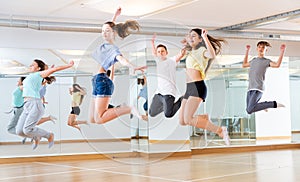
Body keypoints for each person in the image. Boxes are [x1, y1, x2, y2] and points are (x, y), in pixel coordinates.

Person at [89, 8, 146, 124]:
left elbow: (121, 59)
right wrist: (114, 16)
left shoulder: (112, 48)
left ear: (113, 33)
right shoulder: (105, 45)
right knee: (92, 119)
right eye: (102, 31)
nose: (104, 33)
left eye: (107, 31)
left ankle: (128, 108)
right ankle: (123, 108)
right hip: (96, 80)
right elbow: (110, 27)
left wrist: (132, 66)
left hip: (102, 81)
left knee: (99, 119)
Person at [179, 28, 230, 145]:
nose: (191, 38)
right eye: (189, 36)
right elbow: (187, 43)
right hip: (189, 88)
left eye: (194, 36)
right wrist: (187, 40)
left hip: (198, 87)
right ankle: (203, 117)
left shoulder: (202, 50)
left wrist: (205, 38)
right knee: (182, 121)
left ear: (200, 39)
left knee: (188, 119)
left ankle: (220, 130)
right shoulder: (191, 52)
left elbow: (211, 54)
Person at [16, 59, 74, 149]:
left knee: (27, 130)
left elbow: (55, 69)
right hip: (27, 104)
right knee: (19, 131)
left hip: (35, 104)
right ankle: (36, 136)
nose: (30, 65)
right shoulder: (30, 77)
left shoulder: (38, 75)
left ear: (39, 68)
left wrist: (69, 65)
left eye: (33, 65)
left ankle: (49, 135)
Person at [242, 41, 286, 114]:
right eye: (259, 47)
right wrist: (247, 51)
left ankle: (274, 104)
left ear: (266, 50)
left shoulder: (266, 61)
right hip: (250, 88)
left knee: (250, 109)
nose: (261, 49)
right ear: (257, 49)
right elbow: (244, 65)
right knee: (248, 110)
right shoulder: (253, 60)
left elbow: (277, 65)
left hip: (258, 87)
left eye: (263, 47)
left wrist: (282, 51)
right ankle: (263, 106)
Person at [149, 34, 185, 118]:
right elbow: (154, 52)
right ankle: (165, 107)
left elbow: (181, 54)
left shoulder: (171, 60)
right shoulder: (158, 61)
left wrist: (185, 46)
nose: (160, 53)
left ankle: (182, 99)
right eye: (159, 52)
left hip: (168, 93)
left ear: (166, 53)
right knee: (151, 113)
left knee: (168, 114)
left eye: (162, 51)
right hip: (159, 93)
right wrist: (152, 42)